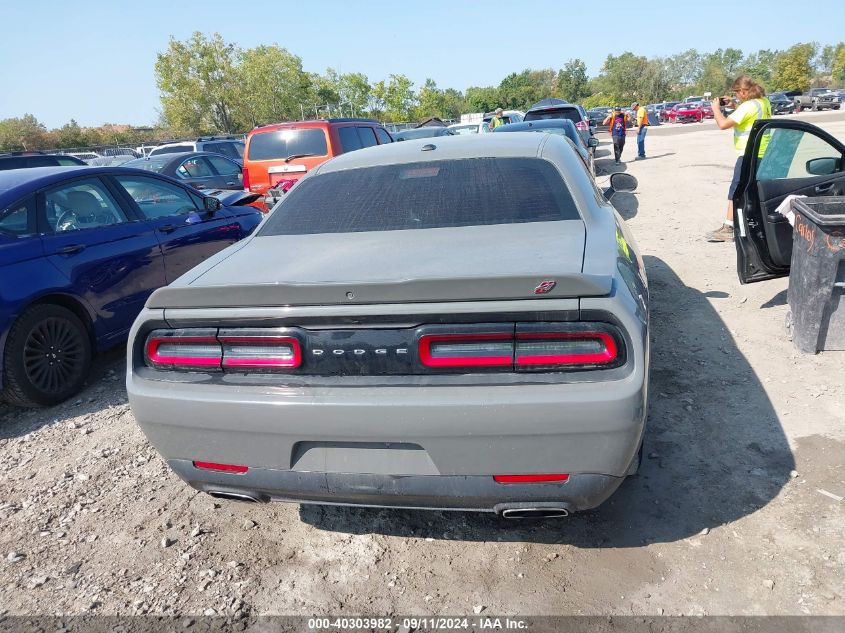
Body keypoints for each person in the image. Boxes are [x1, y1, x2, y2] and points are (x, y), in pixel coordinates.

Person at [706, 75, 772, 242]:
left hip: (748, 154)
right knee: (752, 190)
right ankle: (754, 223)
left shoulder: (747, 107)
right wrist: (734, 105)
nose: (735, 96)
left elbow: (723, 124)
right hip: (763, 152)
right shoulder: (763, 102)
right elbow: (748, 113)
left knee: (736, 190)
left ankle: (729, 227)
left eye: (737, 93)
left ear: (743, 91)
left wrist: (716, 109)